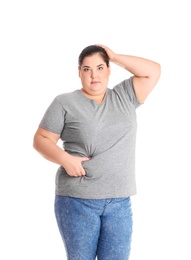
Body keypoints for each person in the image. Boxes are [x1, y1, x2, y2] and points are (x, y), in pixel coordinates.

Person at [33, 44, 161, 260]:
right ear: (79, 72)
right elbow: (41, 139)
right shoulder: (65, 102)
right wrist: (65, 159)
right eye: (87, 69)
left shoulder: (125, 96)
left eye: (100, 68)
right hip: (78, 200)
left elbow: (153, 71)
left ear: (109, 70)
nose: (94, 75)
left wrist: (114, 56)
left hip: (119, 202)